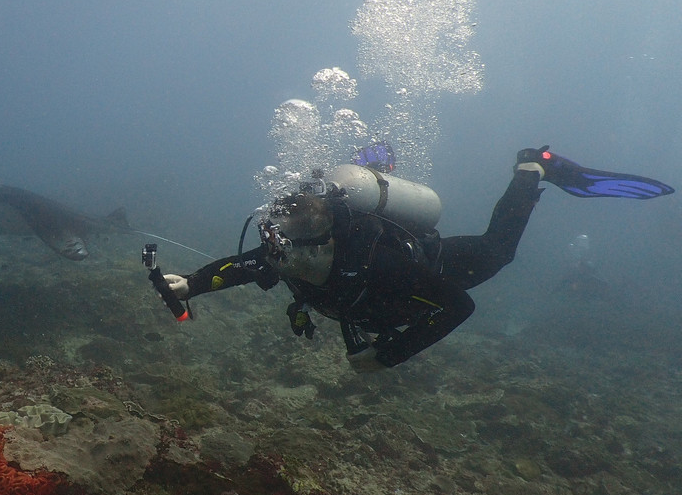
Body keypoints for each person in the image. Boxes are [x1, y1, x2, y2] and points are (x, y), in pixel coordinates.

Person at [158, 146, 674, 373]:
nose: (275, 261)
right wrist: (191, 285)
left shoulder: (378, 265)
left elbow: (457, 307)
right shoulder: (287, 251)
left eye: (283, 252)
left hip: (437, 265)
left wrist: (389, 357)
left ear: (320, 246)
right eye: (274, 248)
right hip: (369, 299)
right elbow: (246, 265)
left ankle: (532, 170)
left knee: (499, 251)